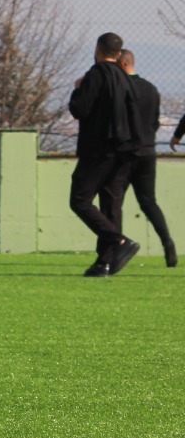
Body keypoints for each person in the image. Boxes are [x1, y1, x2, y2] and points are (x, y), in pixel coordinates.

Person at [69, 32, 142, 277]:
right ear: (119, 54)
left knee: (79, 200)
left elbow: (80, 109)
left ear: (98, 50)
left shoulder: (95, 75)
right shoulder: (126, 78)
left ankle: (118, 241)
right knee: (111, 204)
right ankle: (105, 263)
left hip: (98, 148)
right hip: (126, 150)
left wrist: (78, 90)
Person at [118, 49, 175, 267]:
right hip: (148, 152)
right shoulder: (151, 89)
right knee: (149, 202)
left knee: (114, 202)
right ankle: (167, 242)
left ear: (122, 65)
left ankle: (116, 245)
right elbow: (154, 122)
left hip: (124, 154)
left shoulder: (121, 89)